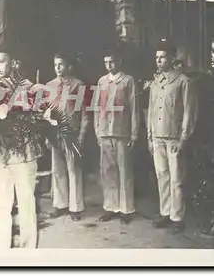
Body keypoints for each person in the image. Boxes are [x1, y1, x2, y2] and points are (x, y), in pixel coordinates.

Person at [0, 47, 42, 248]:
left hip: (24, 153)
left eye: (1, 61)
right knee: (1, 204)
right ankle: (1, 252)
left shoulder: (27, 87)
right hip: (1, 153)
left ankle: (28, 252)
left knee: (26, 203)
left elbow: (32, 116)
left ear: (13, 62)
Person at [147, 42, 198, 234]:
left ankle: (177, 216)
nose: (159, 60)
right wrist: (150, 137)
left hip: (174, 138)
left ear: (171, 58)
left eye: (162, 57)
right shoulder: (155, 83)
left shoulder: (183, 81)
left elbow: (189, 112)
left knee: (177, 179)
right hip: (158, 136)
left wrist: (184, 138)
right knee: (162, 176)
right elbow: (151, 111)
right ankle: (165, 212)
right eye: (157, 57)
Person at [94, 50, 139, 224]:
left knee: (124, 170)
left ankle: (126, 209)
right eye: (106, 62)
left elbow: (134, 108)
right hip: (105, 132)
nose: (109, 65)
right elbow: (97, 108)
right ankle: (111, 207)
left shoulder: (128, 81)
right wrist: (98, 130)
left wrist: (134, 134)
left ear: (119, 61)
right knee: (108, 171)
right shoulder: (102, 81)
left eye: (112, 61)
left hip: (122, 131)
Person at [46, 53, 89, 221]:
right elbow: (48, 111)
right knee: (57, 170)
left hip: (72, 133)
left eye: (61, 64)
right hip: (55, 133)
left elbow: (84, 112)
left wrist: (82, 134)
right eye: (55, 64)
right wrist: (47, 134)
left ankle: (76, 207)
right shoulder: (50, 85)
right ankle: (60, 204)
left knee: (74, 170)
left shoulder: (78, 85)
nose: (57, 68)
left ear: (69, 67)